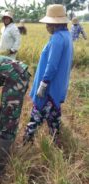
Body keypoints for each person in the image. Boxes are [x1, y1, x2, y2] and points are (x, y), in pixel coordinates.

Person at [23, 4, 73, 146]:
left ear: (53, 23)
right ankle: (56, 143)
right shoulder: (66, 36)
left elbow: (52, 65)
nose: (46, 26)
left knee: (36, 116)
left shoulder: (57, 38)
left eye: (47, 23)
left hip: (49, 88)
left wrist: (43, 84)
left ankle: (26, 144)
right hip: (58, 87)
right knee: (54, 116)